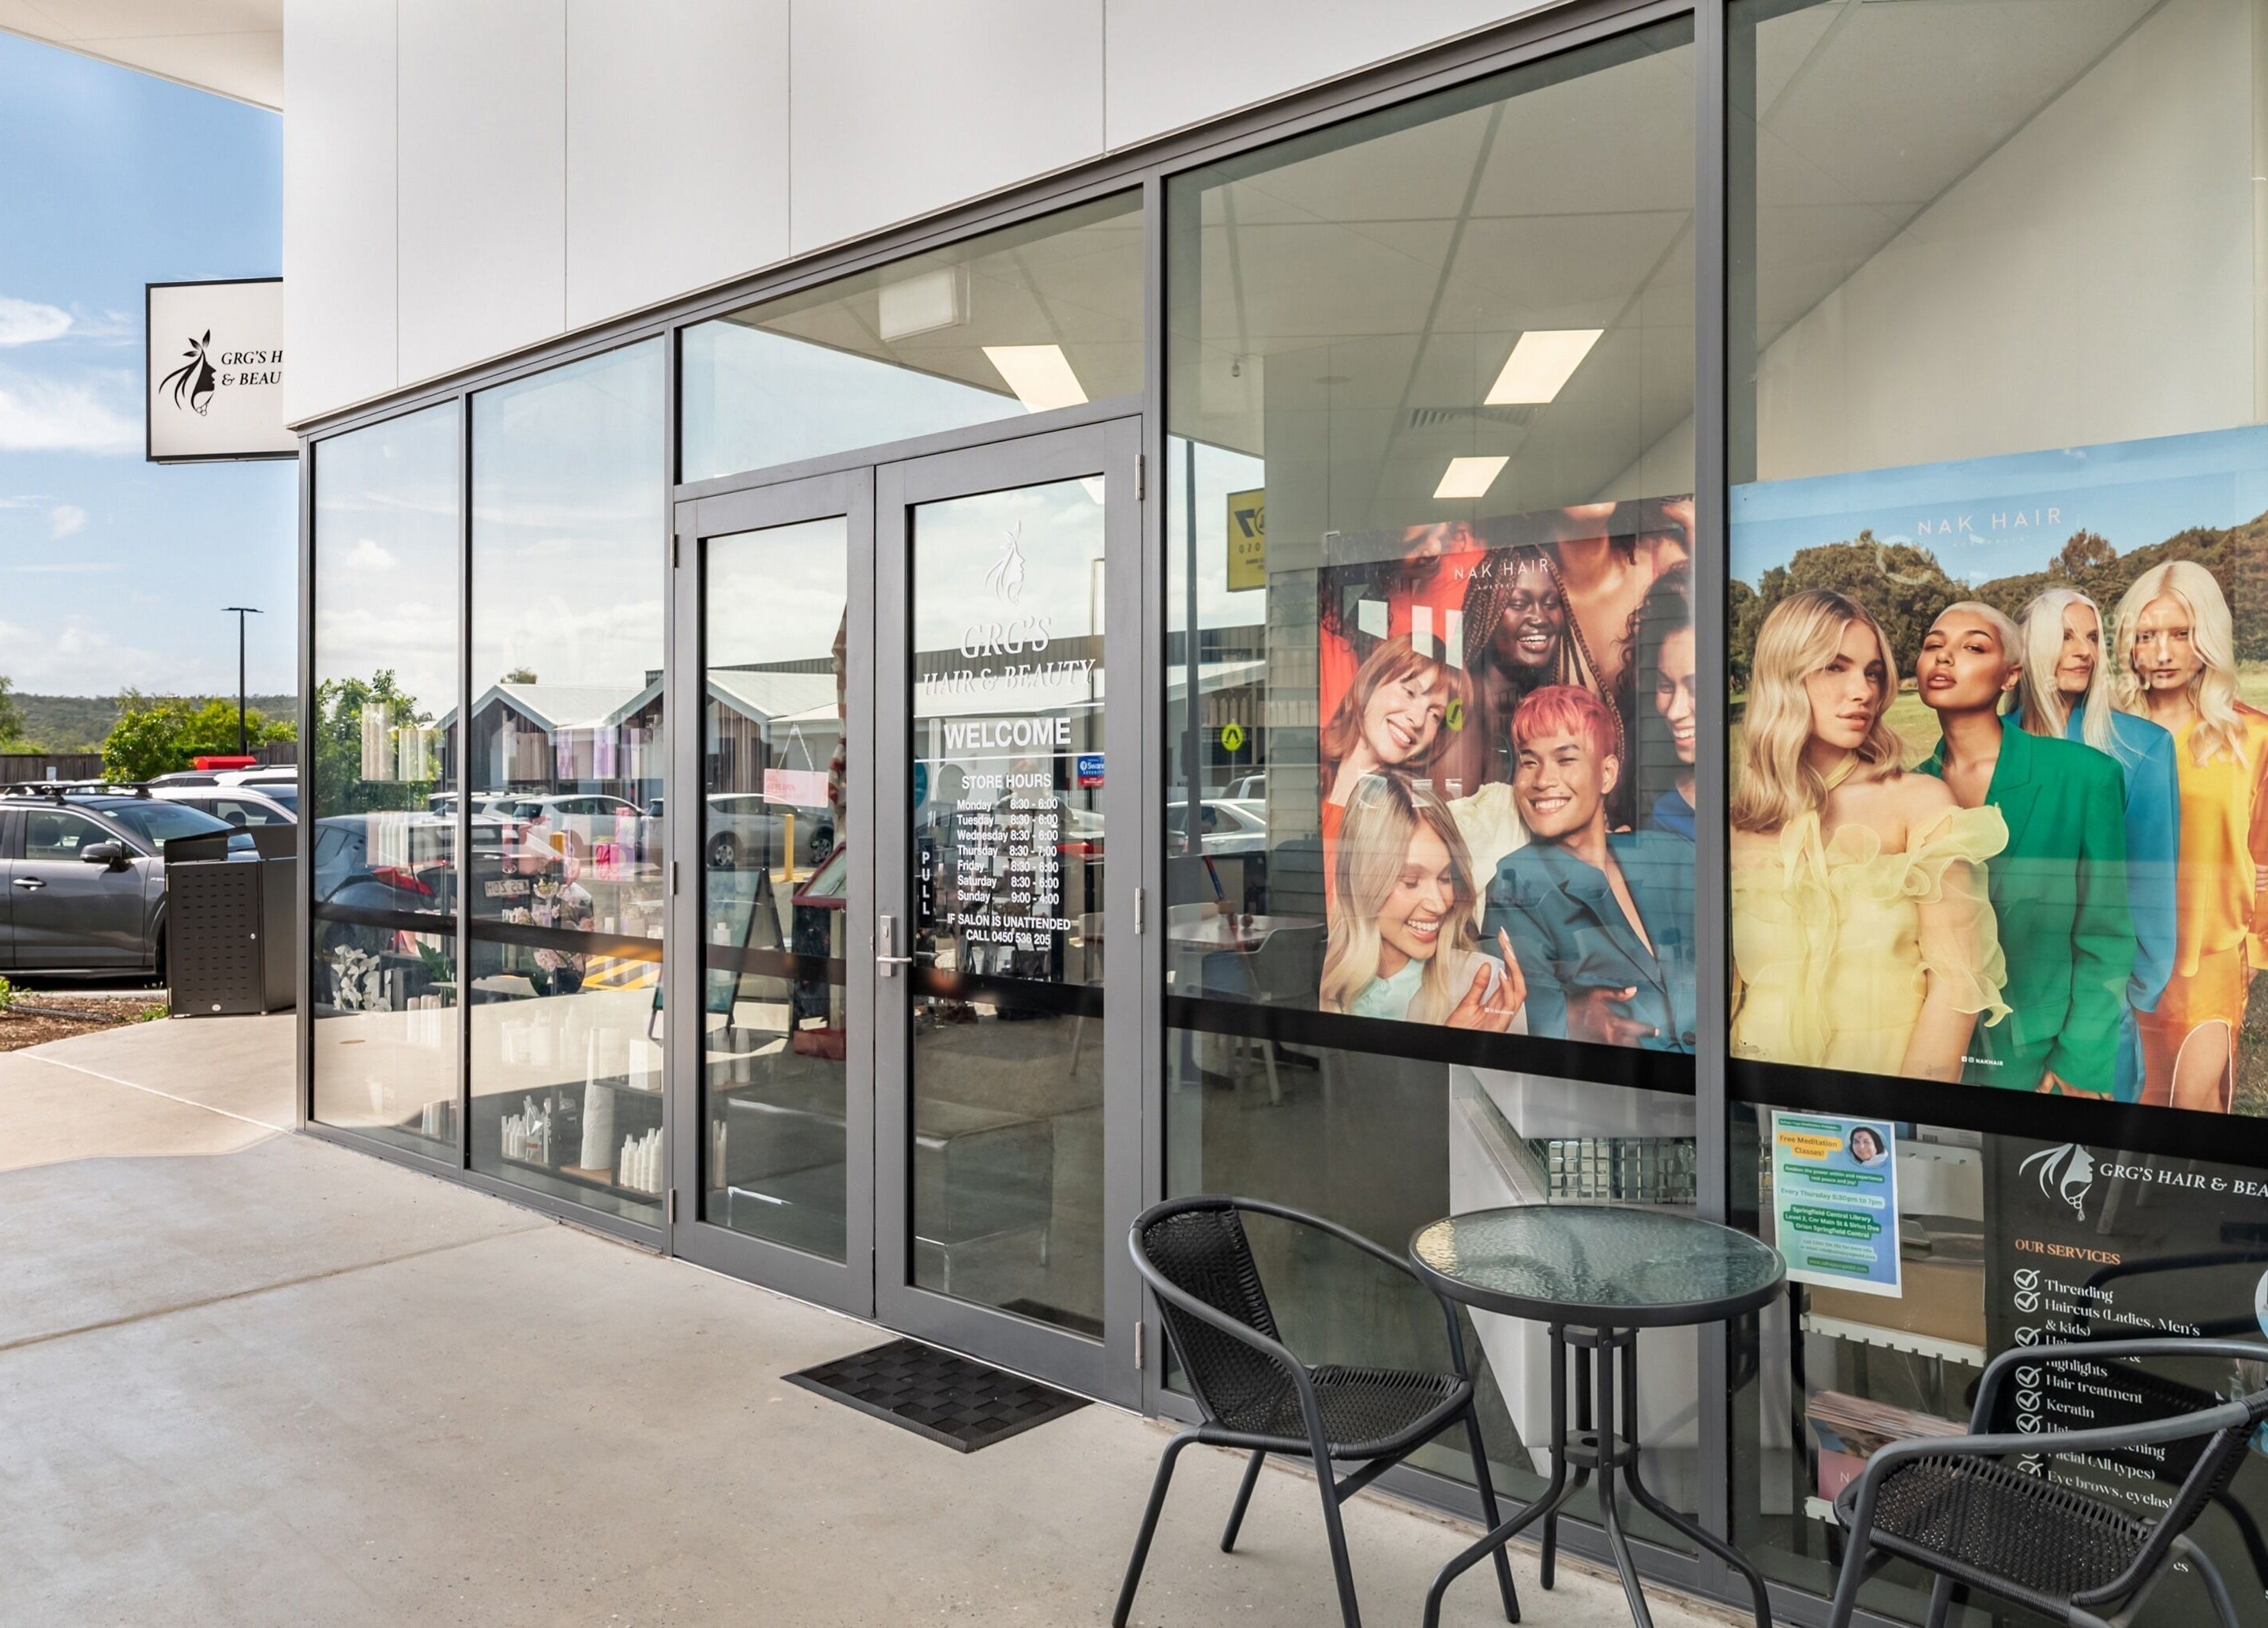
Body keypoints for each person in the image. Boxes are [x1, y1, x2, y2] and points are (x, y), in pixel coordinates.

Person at [1729, 589, 2009, 1080]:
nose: (1862, 690)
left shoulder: (1918, 802)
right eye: (1835, 667)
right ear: (1784, 674)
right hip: (1758, 1099)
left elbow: (1957, 986)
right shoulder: (1738, 823)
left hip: (1881, 1114)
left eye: (1872, 672)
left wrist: (1900, 1121)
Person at [1913, 602, 2131, 1096]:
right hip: (1929, 1055)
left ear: (2010, 676)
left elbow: (2107, 937)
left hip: (2041, 1058)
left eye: (1972, 646)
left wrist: (2081, 1062)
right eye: (1933, 645)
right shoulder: (1907, 791)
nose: (1944, 658)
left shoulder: (2086, 777)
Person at [2110, 560, 2268, 1112]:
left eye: (2180, 634)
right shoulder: (2104, 735)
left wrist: (2259, 943)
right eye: (2146, 636)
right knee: (2132, 1101)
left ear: (2207, 638)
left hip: (2212, 955)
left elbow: (2262, 850)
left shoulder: (2253, 735)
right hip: (2123, 954)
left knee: (2193, 1106)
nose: (2161, 653)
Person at [2014, 587, 2180, 1101]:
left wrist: (2129, 993)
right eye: (2064, 636)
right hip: (2003, 1008)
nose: (2084, 650)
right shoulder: (1986, 742)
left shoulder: (2143, 747)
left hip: (2098, 1010)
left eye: (2092, 636)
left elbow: (2152, 881)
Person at [1481, 685, 1693, 1051]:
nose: (1543, 780)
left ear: (1607, 774)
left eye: (1565, 760)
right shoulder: (1516, 881)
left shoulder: (1670, 854)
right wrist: (1570, 1017)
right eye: (1529, 761)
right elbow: (1521, 1014)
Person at [1320, 773, 1526, 1029]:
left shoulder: (1484, 984)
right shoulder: (1322, 979)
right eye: (1411, 881)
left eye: (1445, 877)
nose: (1439, 905)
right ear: (1362, 880)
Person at [1317, 635, 1470, 900]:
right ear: (1370, 682)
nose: (1418, 719)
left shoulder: (1415, 818)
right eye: (1409, 692)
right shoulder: (1304, 768)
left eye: (1435, 714)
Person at [1448, 543, 1604, 793]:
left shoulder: (1540, 701)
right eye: (1519, 604)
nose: (1539, 617)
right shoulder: (1464, 702)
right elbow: (1455, 815)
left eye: (1551, 603)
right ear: (1485, 614)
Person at [1630, 567, 1695, 839]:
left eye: (1696, 688)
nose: (1675, 711)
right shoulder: (1664, 813)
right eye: (1666, 685)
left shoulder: (1769, 796)